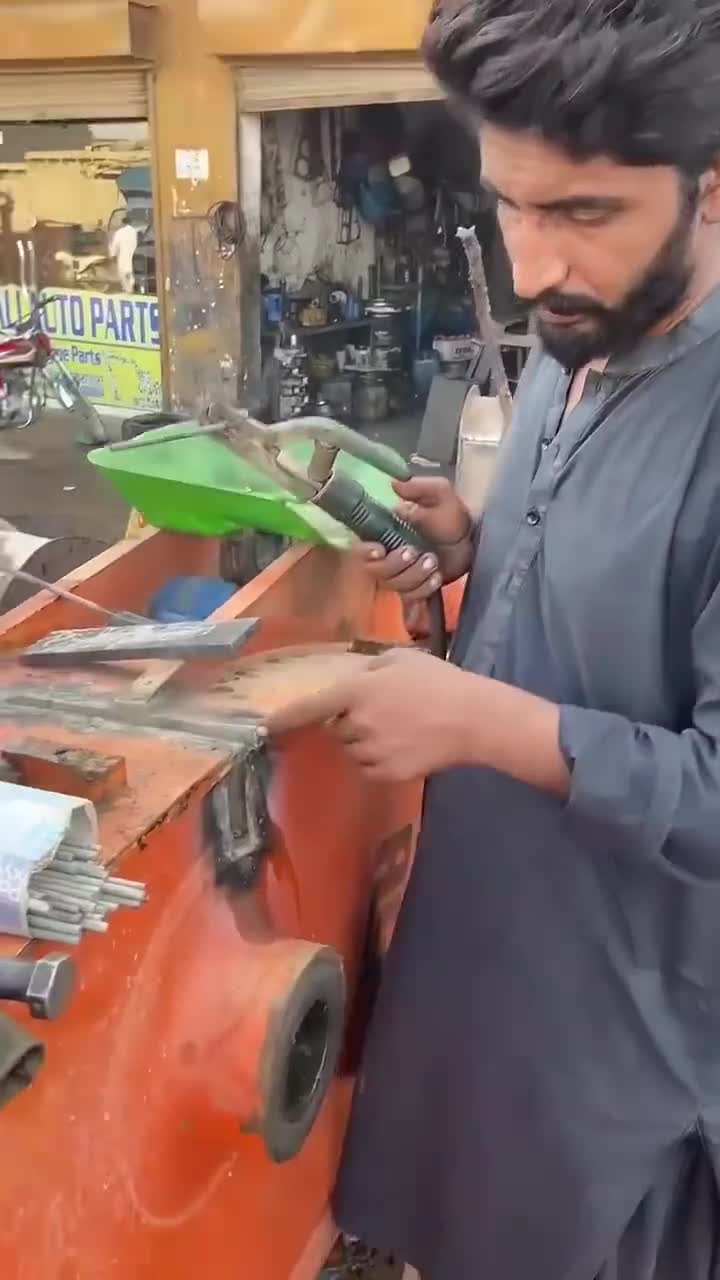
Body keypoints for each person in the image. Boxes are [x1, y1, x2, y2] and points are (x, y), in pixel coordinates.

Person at [266, 0, 720, 1275]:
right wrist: (473, 545)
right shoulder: (579, 338)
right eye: (510, 205)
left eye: (582, 213)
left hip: (623, 1056)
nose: (531, 266)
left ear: (713, 188)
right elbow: (600, 584)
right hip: (482, 972)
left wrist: (474, 719)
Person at [109, 214, 138, 294]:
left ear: (122, 223)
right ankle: (132, 286)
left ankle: (128, 290)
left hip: (123, 255)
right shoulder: (134, 231)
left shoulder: (119, 232)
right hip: (133, 253)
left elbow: (115, 244)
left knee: (124, 272)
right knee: (129, 271)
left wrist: (112, 254)